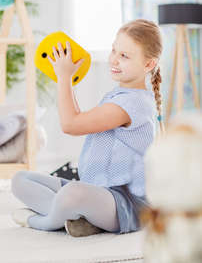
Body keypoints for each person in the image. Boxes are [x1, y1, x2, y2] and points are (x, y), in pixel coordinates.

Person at [11, 19, 163, 237]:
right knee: (20, 180)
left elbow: (71, 124)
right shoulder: (118, 95)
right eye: (114, 50)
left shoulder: (133, 104)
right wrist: (67, 78)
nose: (114, 60)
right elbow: (76, 118)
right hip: (97, 190)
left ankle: (43, 221)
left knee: (73, 193)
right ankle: (82, 218)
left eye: (124, 56)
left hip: (124, 204)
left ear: (149, 64)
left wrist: (64, 77)